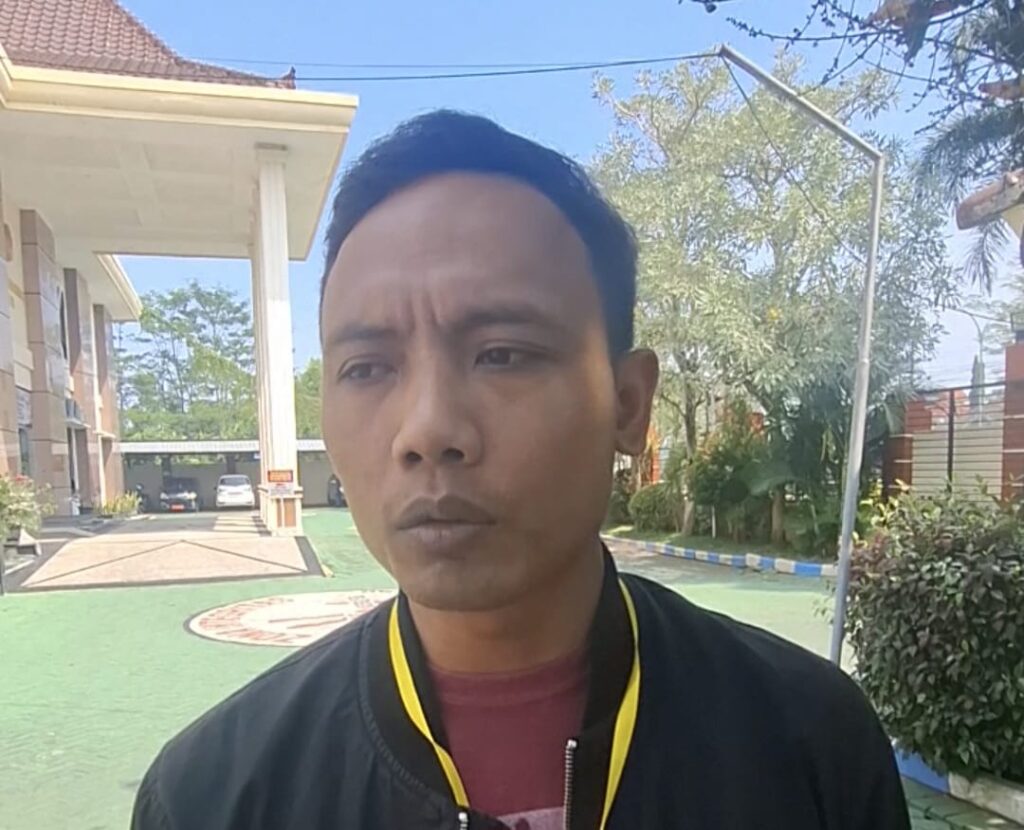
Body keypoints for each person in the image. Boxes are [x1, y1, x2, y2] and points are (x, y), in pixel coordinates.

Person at [132, 110, 909, 830]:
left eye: (502, 354)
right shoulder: (214, 796)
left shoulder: (811, 745)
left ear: (629, 405)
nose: (427, 429)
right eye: (367, 368)